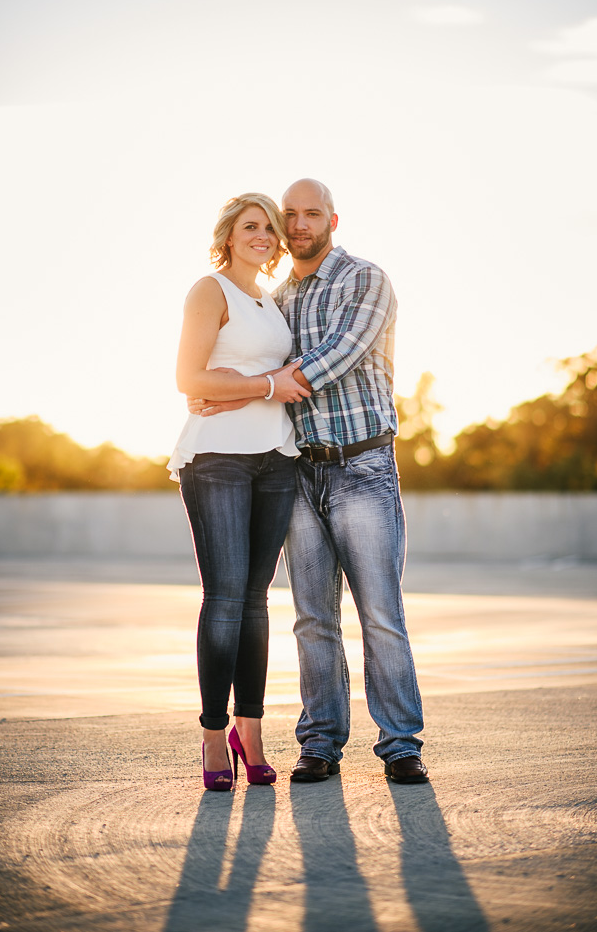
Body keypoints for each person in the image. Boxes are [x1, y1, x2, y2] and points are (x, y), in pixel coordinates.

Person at [192, 179, 429, 785]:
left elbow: (339, 354)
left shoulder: (366, 280)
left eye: (309, 214)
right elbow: (244, 367)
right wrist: (239, 387)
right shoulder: (276, 300)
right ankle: (320, 742)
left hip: (363, 466)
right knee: (311, 617)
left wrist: (256, 383)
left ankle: (400, 743)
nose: (296, 225)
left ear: (332, 219)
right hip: (298, 468)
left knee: (379, 612)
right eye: (287, 215)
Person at [167, 192, 310, 792]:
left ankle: (248, 731)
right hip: (218, 458)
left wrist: (243, 385)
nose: (266, 236)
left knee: (256, 602)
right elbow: (187, 378)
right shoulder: (211, 290)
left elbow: (272, 379)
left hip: (275, 459)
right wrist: (256, 385)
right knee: (224, 599)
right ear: (228, 235)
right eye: (252, 227)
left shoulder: (270, 304)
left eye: (271, 229)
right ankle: (211, 735)